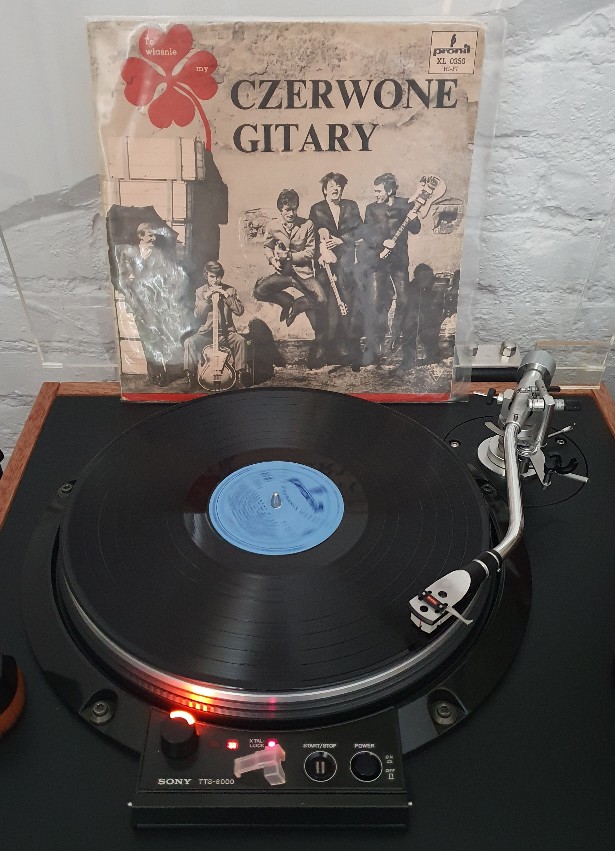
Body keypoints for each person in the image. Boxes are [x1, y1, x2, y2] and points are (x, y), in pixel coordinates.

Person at [253, 189, 328, 369]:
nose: (291, 213)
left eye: (294, 209)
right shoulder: (273, 226)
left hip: (303, 273)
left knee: (322, 300)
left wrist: (290, 256)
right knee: (259, 291)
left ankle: (297, 306)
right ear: (281, 209)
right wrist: (272, 260)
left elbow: (310, 252)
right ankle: (286, 302)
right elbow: (267, 246)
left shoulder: (307, 225)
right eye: (287, 210)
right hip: (283, 274)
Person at [359, 173, 421, 368]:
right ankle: (372, 351)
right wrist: (382, 242)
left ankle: (399, 346)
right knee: (376, 303)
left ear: (390, 190)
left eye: (379, 191)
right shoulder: (371, 208)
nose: (375, 194)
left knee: (404, 301)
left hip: (399, 262)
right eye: (374, 190)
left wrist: (414, 218)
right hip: (378, 261)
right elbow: (366, 233)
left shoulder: (405, 204)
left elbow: (416, 228)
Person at [118, 223, 192, 386]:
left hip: (159, 303)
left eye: (155, 235)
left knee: (165, 336)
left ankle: (173, 372)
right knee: (148, 339)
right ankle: (156, 374)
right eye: (150, 235)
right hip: (138, 303)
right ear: (141, 236)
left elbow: (169, 276)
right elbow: (123, 280)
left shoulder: (159, 254)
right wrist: (133, 287)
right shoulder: (128, 253)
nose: (154, 238)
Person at [309, 173, 363, 367]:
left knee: (346, 305)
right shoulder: (317, 209)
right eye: (332, 186)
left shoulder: (351, 206)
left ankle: (346, 348)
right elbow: (312, 237)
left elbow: (360, 231)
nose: (336, 189)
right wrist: (321, 253)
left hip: (346, 266)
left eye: (339, 186)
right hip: (325, 267)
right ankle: (323, 349)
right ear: (325, 190)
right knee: (326, 307)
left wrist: (341, 240)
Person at [183, 261, 250, 391]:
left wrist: (227, 297)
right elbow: (197, 315)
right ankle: (191, 379)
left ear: (221, 276)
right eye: (211, 277)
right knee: (189, 342)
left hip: (226, 334)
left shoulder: (230, 290)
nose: (215, 280)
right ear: (206, 276)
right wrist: (207, 299)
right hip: (206, 334)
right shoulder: (200, 291)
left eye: (218, 277)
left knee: (240, 341)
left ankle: (239, 377)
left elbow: (239, 311)